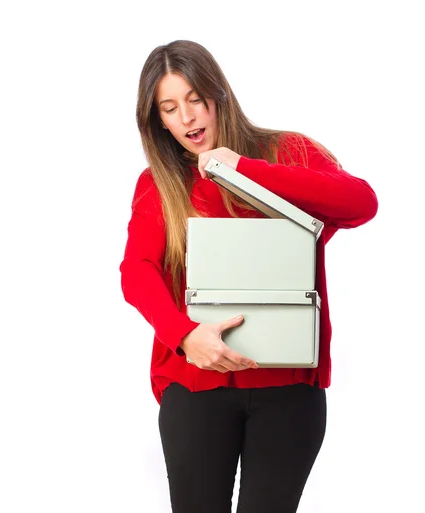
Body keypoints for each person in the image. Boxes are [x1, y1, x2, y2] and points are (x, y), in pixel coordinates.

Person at [119, 39, 378, 513]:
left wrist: (245, 170)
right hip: (197, 383)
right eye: (170, 108)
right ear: (158, 120)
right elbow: (137, 272)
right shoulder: (159, 184)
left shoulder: (287, 152)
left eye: (195, 99)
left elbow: (361, 203)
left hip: (288, 388)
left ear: (218, 94)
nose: (188, 118)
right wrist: (184, 335)